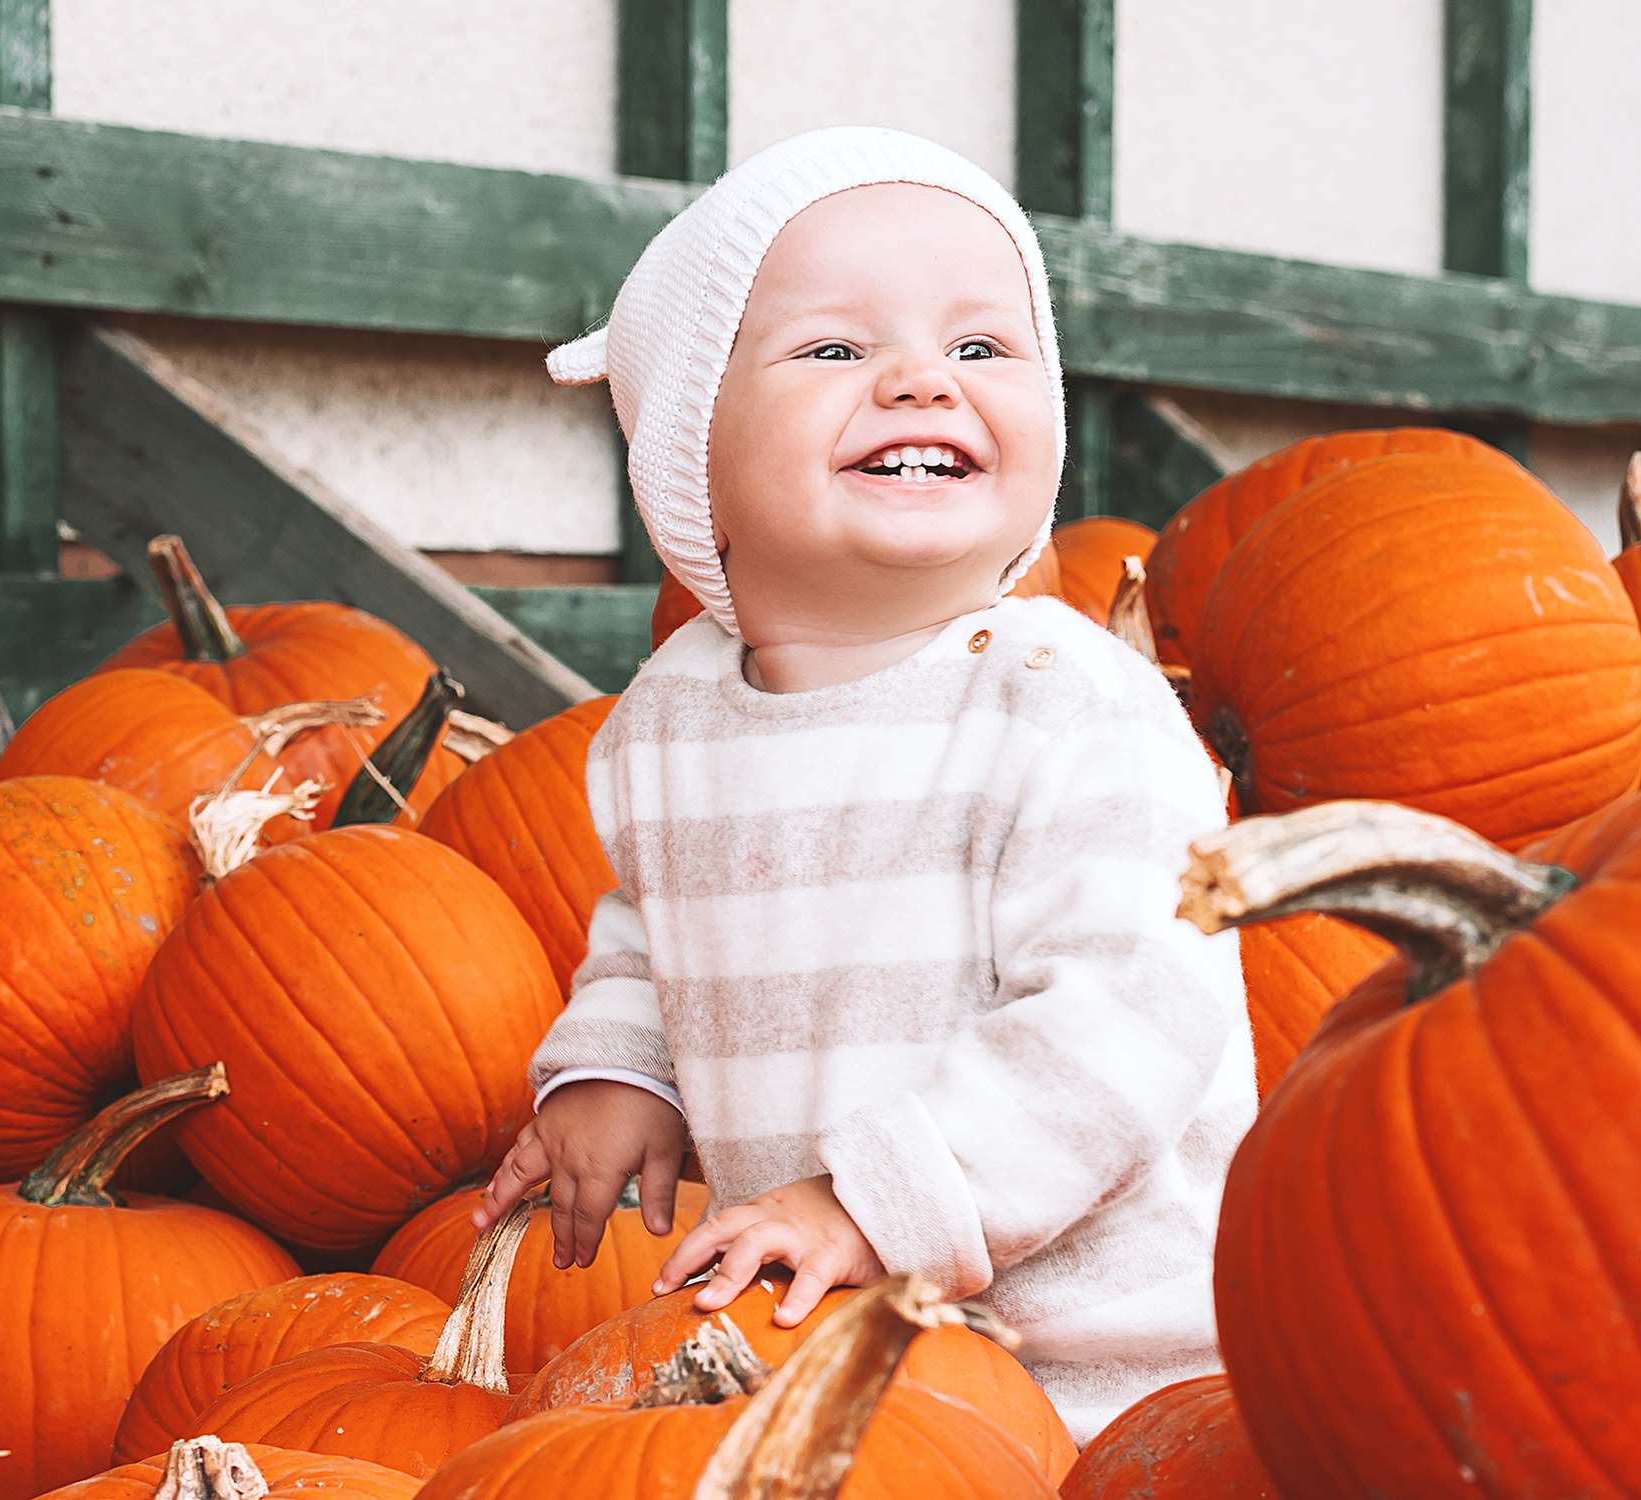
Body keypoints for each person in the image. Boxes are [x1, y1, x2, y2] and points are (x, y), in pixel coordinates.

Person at [470, 126, 1253, 1438]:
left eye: (979, 348)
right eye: (835, 350)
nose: (917, 382)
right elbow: (653, 928)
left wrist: (871, 1203)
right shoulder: (672, 720)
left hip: (1105, 1375)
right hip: (829, 1346)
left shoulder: (1065, 701)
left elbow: (1130, 1013)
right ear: (687, 457)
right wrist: (614, 1074)